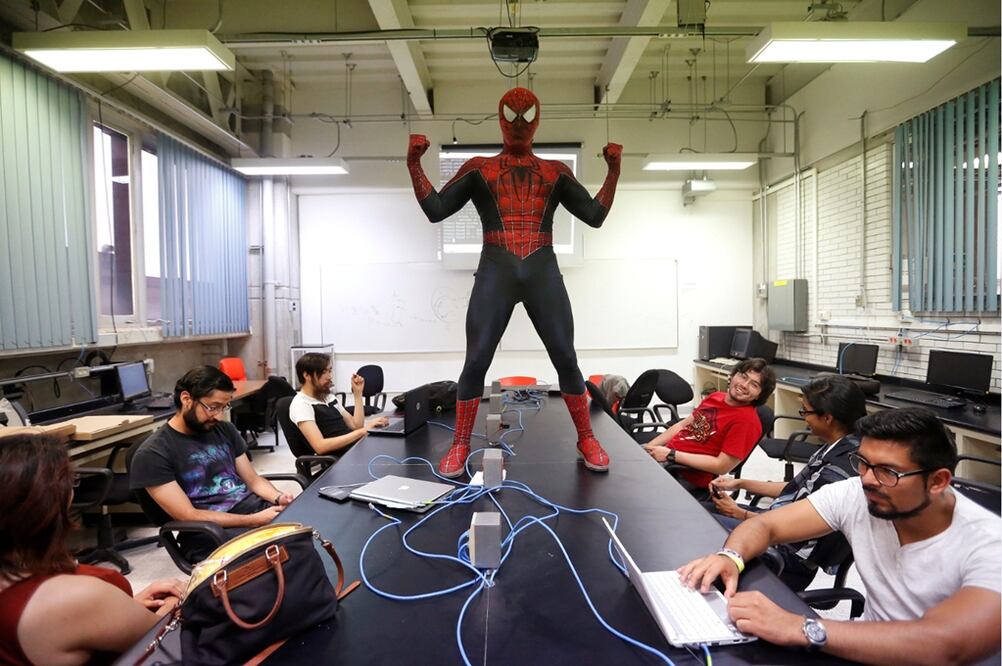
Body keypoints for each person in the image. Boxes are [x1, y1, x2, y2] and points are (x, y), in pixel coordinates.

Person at [407, 87, 623, 478]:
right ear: (499, 117)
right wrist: (413, 164)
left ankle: (586, 437)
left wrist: (614, 172)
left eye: (526, 116)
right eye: (511, 114)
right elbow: (437, 210)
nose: (519, 123)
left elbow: (593, 215)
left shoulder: (555, 172)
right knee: (475, 361)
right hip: (497, 269)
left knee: (566, 358)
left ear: (538, 120)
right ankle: (459, 444)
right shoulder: (478, 168)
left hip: (540, 268)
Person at [678, 408, 1001, 664]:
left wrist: (801, 627)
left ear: (938, 481)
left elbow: (946, 646)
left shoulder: (990, 546)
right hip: (865, 649)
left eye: (888, 471)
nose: (868, 480)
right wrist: (730, 557)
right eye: (862, 463)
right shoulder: (859, 493)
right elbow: (767, 525)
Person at [0, 433, 184, 665]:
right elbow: (162, 635)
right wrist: (174, 604)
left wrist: (125, 607)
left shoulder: (23, 587)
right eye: (71, 481)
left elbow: (68, 627)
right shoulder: (76, 597)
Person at [708, 374, 866, 590]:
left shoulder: (839, 470)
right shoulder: (839, 445)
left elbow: (795, 532)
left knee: (703, 525)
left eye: (806, 412)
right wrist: (740, 483)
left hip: (787, 557)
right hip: (775, 528)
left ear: (827, 418)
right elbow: (797, 489)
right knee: (703, 510)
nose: (804, 418)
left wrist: (739, 513)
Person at [130, 365, 295, 561]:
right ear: (186, 399)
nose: (218, 415)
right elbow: (188, 515)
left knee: (307, 529)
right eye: (213, 407)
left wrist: (278, 498)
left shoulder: (224, 430)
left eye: (224, 407)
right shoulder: (153, 453)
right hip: (209, 532)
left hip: (252, 511)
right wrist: (253, 521)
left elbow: (253, 481)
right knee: (287, 550)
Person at [642, 357, 776, 499]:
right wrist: (647, 449)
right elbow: (682, 425)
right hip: (666, 458)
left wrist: (670, 455)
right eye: (743, 377)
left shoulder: (747, 421)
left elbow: (722, 466)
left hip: (684, 475)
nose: (744, 385)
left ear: (760, 395)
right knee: (624, 460)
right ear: (734, 374)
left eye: (754, 385)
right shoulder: (715, 397)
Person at [288, 352, 388, 454]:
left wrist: (357, 393)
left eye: (330, 371)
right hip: (341, 458)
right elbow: (320, 446)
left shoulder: (329, 398)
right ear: (306, 375)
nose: (329, 376)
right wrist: (364, 430)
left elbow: (356, 426)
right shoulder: (301, 404)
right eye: (323, 372)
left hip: (353, 448)